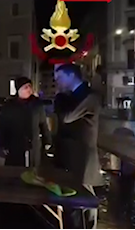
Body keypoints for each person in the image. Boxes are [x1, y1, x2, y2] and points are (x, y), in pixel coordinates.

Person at [54, 64, 103, 229]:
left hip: (82, 156)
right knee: (76, 198)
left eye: (60, 77)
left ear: (71, 76)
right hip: (70, 155)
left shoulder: (89, 97)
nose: (57, 82)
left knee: (84, 199)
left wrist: (60, 100)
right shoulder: (75, 96)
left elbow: (67, 117)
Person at [0, 76, 52, 167]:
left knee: (33, 170)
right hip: (16, 144)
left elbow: (43, 124)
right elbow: (4, 126)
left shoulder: (37, 104)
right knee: (16, 170)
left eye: (30, 86)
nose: (29, 89)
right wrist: (4, 143)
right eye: (25, 87)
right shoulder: (9, 106)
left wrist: (47, 141)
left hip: (33, 145)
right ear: (19, 90)